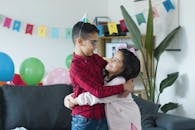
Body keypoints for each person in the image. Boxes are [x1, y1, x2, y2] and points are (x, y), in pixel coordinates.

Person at [67, 21, 134, 130]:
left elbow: (114, 67)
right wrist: (123, 87)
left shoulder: (94, 58)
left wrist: (130, 78)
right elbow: (98, 92)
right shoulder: (76, 68)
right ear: (79, 41)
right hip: (84, 120)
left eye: (96, 42)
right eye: (93, 43)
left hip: (103, 116)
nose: (95, 46)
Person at [65, 48, 141, 130]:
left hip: (127, 121)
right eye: (112, 57)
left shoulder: (120, 81)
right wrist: (70, 97)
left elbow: (98, 96)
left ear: (124, 69)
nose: (111, 60)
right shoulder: (106, 76)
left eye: (116, 60)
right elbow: (93, 89)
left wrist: (76, 101)